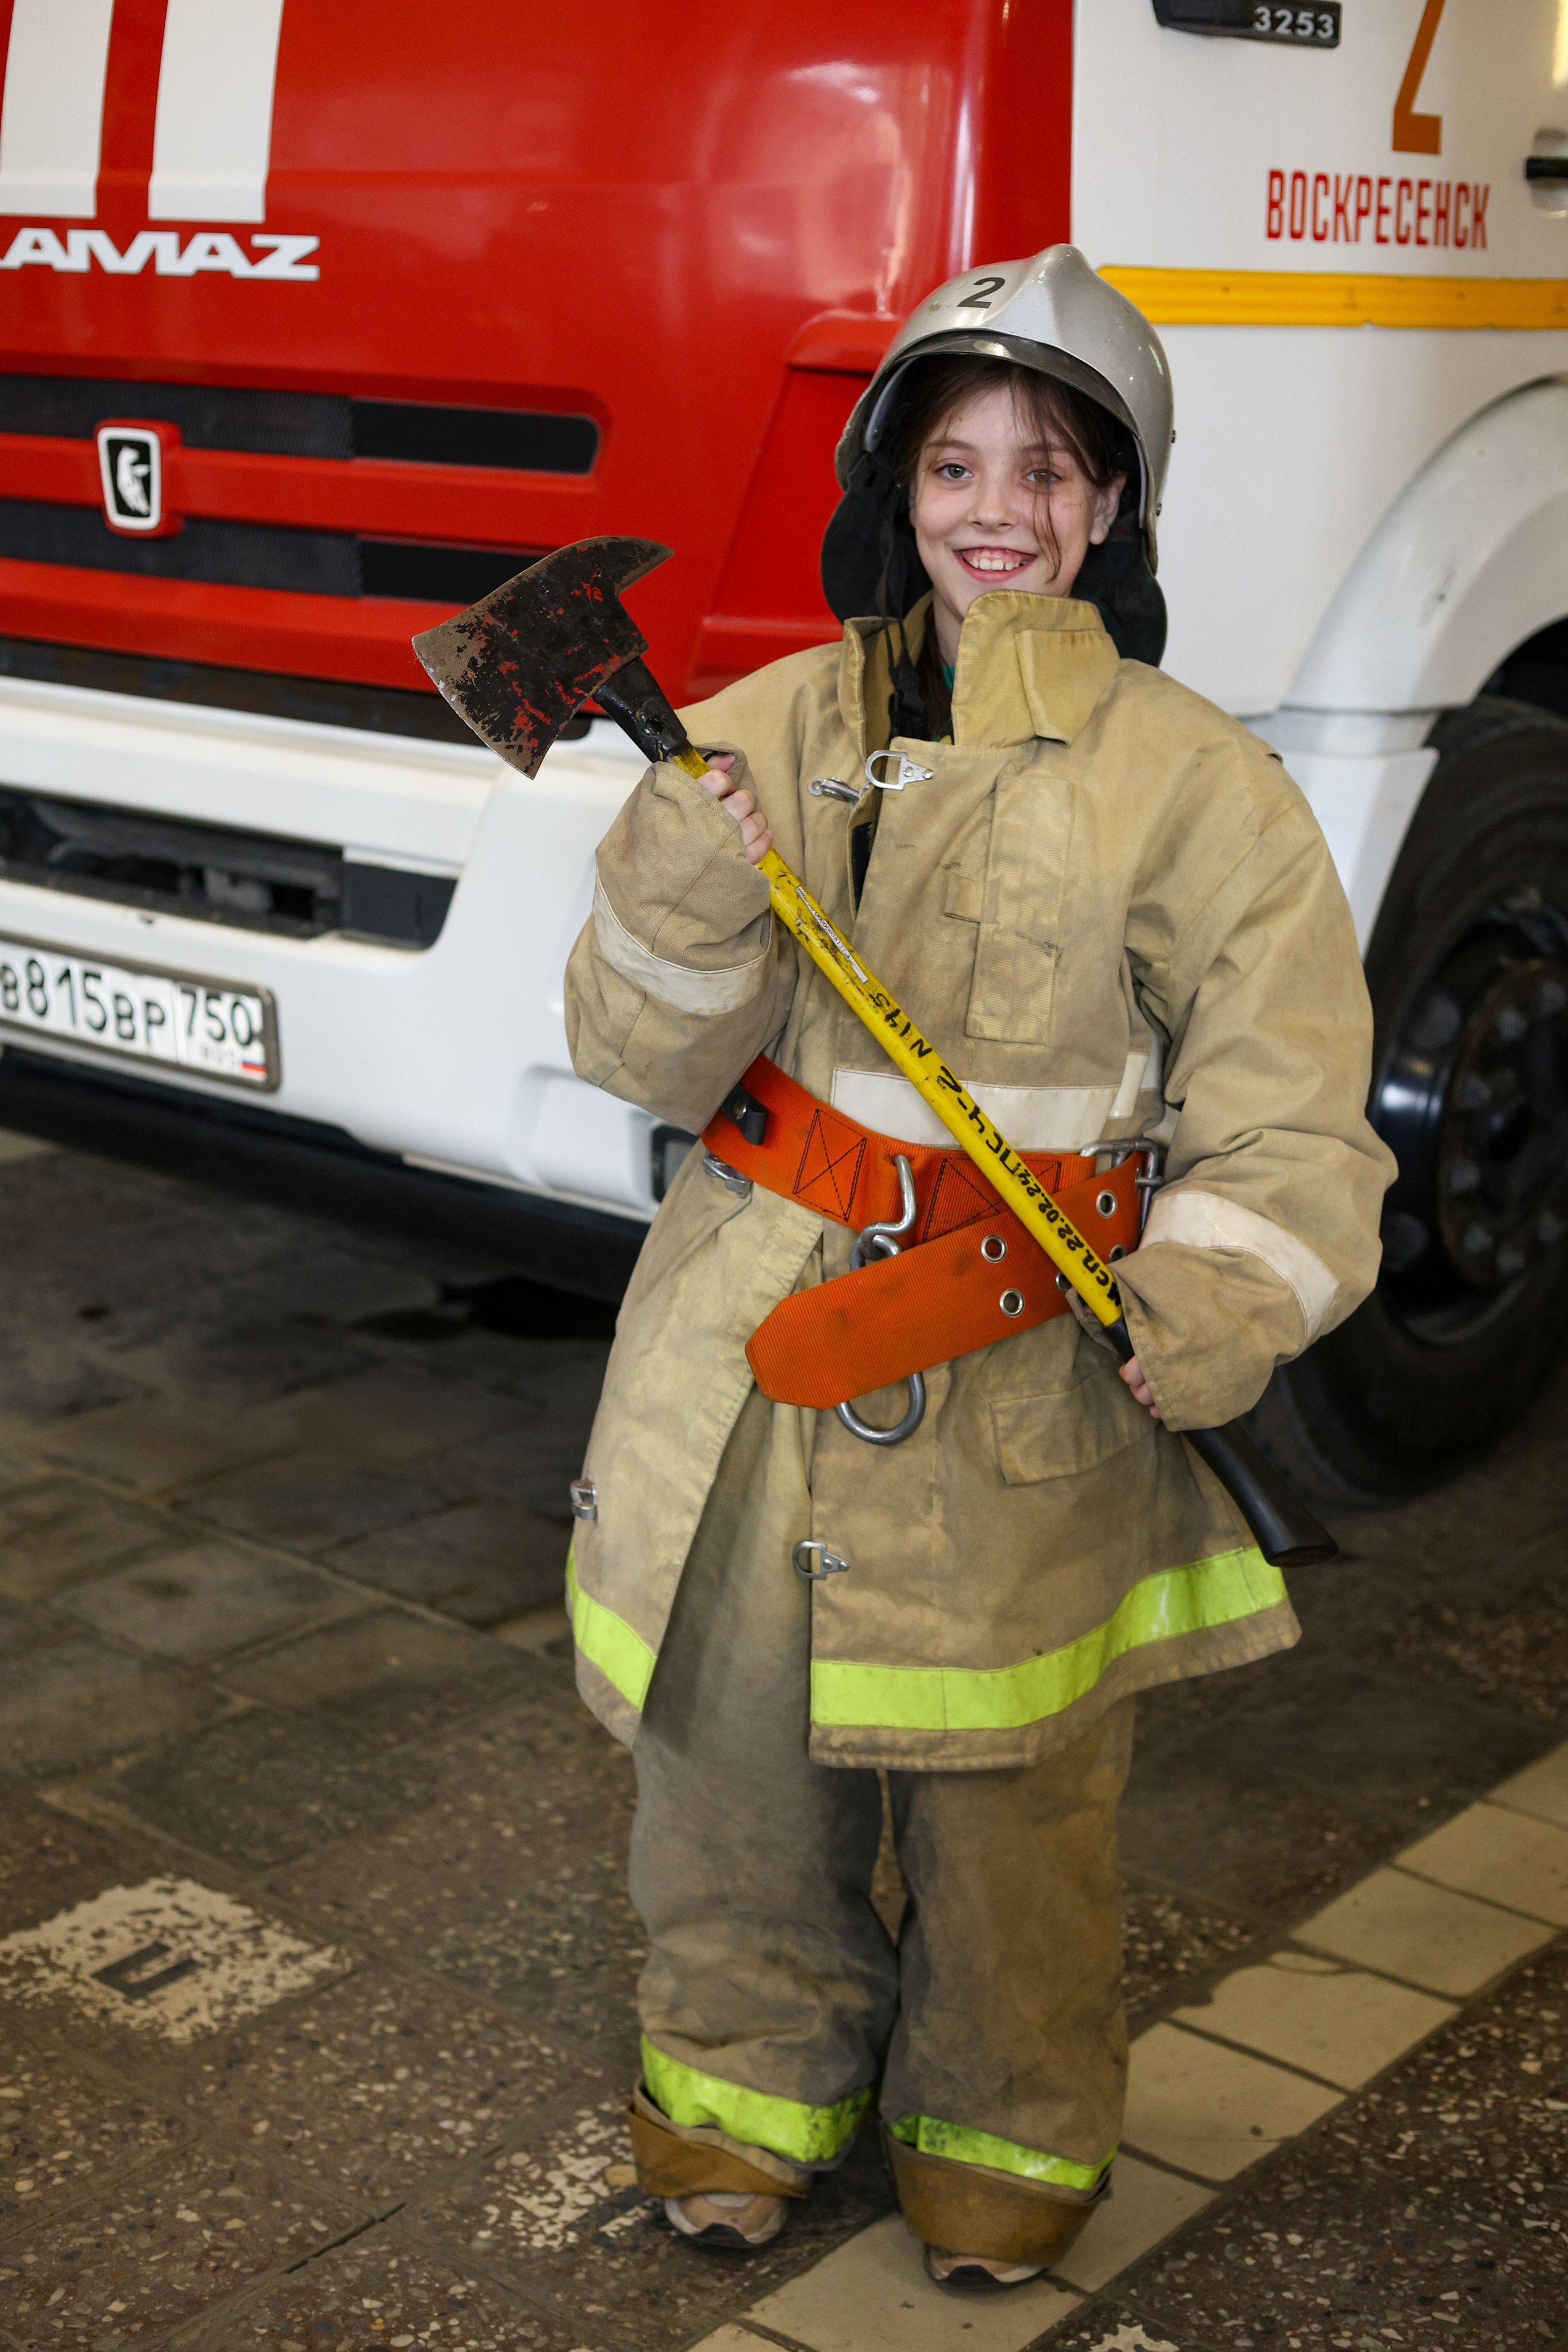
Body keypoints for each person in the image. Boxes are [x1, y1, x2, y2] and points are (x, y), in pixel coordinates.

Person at [562, 245, 1393, 2290]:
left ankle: (1000, 2141)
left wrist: (1216, 1295)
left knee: (1014, 1813)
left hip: (1024, 1376)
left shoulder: (1200, 780)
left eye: (1047, 469)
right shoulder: (761, 726)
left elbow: (1290, 1108)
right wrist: (682, 882)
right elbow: (637, 1053)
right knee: (729, 1772)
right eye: (956, 464)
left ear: (1112, 507)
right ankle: (739, 2102)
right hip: (753, 1352)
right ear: (897, 490)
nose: (997, 511)